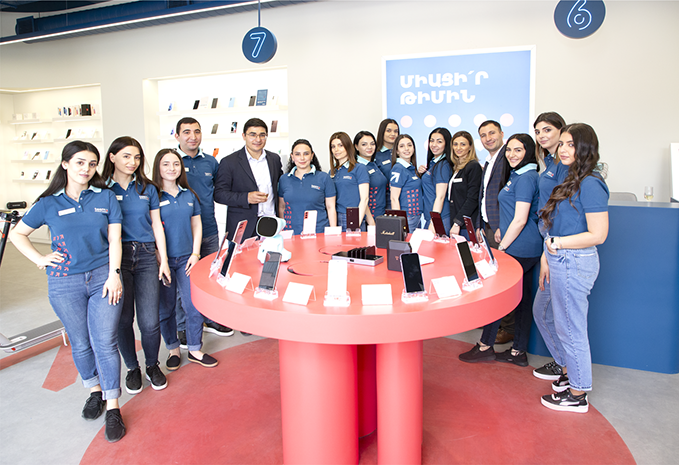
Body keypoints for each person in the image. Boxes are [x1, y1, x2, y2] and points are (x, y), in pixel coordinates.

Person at [9, 141, 126, 442]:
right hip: (64, 282)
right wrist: (39, 259)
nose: (86, 169)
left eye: (92, 163)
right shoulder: (48, 203)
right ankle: (95, 391)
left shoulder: (105, 197)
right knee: (80, 342)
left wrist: (114, 275)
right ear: (65, 164)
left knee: (105, 341)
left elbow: (115, 240)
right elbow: (18, 234)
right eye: (80, 162)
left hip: (103, 278)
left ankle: (113, 406)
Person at [538, 123, 609, 413]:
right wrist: (549, 252)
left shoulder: (591, 183)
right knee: (550, 317)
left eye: (571, 145)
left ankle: (578, 394)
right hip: (560, 257)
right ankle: (570, 375)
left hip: (574, 260)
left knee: (571, 328)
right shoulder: (570, 178)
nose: (564, 150)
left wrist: (558, 243)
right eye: (562, 144)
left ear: (585, 148)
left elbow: (598, 234)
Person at [459, 134, 541, 366]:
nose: (512, 155)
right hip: (520, 243)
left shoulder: (526, 178)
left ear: (528, 152)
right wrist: (500, 230)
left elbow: (520, 219)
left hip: (520, 246)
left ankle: (485, 346)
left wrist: (502, 246)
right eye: (510, 150)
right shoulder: (518, 174)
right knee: (523, 299)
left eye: (518, 150)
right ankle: (518, 352)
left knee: (494, 294)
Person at [102, 136, 170, 394]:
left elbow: (156, 226)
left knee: (150, 321)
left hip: (145, 255)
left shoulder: (147, 188)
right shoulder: (102, 189)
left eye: (137, 157)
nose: (132, 162)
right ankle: (133, 368)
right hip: (116, 258)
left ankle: (152, 365)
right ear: (112, 157)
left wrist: (163, 259)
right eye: (126, 156)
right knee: (123, 320)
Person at [152, 148, 218, 370]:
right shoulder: (152, 196)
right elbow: (151, 229)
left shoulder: (189, 195)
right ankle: (173, 349)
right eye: (166, 164)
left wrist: (195, 254)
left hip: (187, 260)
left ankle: (194, 349)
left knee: (193, 305)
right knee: (167, 309)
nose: (172, 168)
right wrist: (160, 258)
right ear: (158, 167)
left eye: (176, 164)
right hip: (162, 262)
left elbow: (196, 225)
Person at [175, 117, 234, 339]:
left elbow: (220, 191)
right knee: (182, 282)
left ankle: (210, 319)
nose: (193, 136)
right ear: (177, 136)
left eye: (197, 131)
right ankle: (182, 326)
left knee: (210, 277)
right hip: (181, 234)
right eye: (187, 132)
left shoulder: (211, 162)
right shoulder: (171, 161)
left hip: (208, 228)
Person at [528, 112, 571, 381]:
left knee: (548, 313)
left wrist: (548, 251)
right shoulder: (551, 162)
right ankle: (564, 365)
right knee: (546, 313)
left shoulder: (565, 165)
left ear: (561, 131)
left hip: (559, 248)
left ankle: (568, 371)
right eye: (538, 131)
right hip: (550, 243)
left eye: (547, 130)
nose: (542, 135)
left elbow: (562, 211)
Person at [475, 120, 513, 345]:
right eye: (483, 135)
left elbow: (507, 197)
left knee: (503, 279)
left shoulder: (506, 158)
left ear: (501, 133)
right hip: (488, 227)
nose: (488, 138)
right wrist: (481, 224)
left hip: (500, 228)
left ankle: (507, 328)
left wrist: (501, 226)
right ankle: (494, 322)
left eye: (492, 133)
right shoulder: (489, 161)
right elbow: (484, 196)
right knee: (491, 275)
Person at [214, 118, 283, 240]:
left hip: (271, 224)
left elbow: (280, 187)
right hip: (243, 227)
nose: (258, 139)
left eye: (262, 135)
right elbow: (219, 194)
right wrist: (246, 198)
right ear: (244, 136)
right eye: (253, 135)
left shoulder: (274, 159)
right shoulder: (229, 162)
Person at [278, 139, 337, 234]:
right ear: (292, 157)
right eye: (297, 154)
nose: (302, 158)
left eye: (306, 154)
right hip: (292, 233)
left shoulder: (324, 178)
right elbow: (282, 207)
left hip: (319, 232)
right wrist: (282, 231)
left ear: (312, 156)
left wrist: (333, 232)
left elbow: (331, 208)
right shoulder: (284, 179)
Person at [328, 132, 371, 231]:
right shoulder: (332, 172)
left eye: (340, 145)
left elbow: (364, 199)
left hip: (353, 217)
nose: (336, 149)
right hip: (336, 217)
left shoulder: (359, 168)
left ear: (348, 147)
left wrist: (355, 224)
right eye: (333, 146)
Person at [447, 130, 483, 239]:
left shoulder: (473, 166)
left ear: (470, 147)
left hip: (466, 225)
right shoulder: (456, 168)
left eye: (463, 144)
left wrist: (457, 223)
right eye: (455, 144)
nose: (458, 148)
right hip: (457, 222)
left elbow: (472, 199)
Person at [419, 127, 453, 231]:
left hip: (440, 219)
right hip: (431, 217)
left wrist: (434, 222)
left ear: (446, 144)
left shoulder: (443, 166)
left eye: (439, 141)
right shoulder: (433, 163)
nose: (434, 145)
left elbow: (440, 197)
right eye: (432, 141)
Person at [390, 134, 422, 232]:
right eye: (402, 146)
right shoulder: (398, 168)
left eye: (409, 145)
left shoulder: (411, 168)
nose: (406, 149)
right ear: (397, 151)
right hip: (407, 217)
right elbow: (394, 198)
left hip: (416, 216)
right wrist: (399, 222)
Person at [354, 131, 388, 222]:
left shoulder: (373, 164)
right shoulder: (358, 167)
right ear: (356, 147)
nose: (369, 147)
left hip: (380, 215)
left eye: (372, 144)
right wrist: (371, 221)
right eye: (364, 144)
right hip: (368, 219)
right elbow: (361, 198)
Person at [374, 119, 400, 209]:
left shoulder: (403, 153)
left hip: (403, 201)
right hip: (384, 202)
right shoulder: (375, 155)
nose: (393, 134)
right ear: (382, 132)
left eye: (395, 131)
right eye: (389, 131)